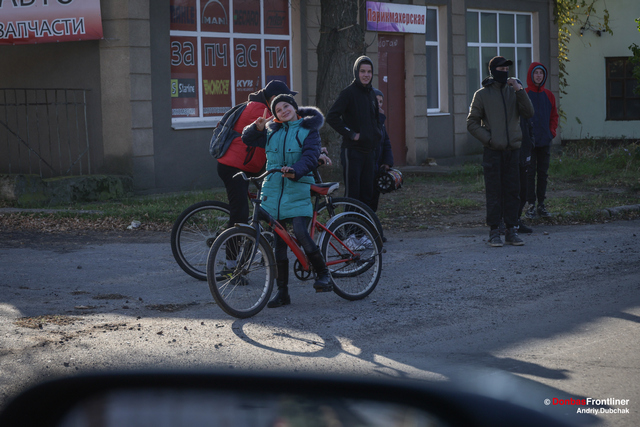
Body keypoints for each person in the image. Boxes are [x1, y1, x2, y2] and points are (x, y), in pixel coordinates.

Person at [242, 94, 334, 308]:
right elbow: (246, 139)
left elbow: (311, 157)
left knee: (301, 231)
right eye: (278, 110)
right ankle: (283, 293)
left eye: (287, 106)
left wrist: (296, 171)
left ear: (294, 107)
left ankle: (323, 273)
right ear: (275, 115)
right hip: (273, 191)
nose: (283, 111)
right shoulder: (270, 131)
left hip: (298, 187)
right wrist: (256, 127)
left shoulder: (307, 129)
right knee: (279, 245)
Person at [216, 80, 297, 276]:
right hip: (233, 167)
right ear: (271, 99)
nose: (284, 105)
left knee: (267, 199)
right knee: (240, 214)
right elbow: (282, 125)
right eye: (281, 101)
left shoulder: (262, 106)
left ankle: (264, 240)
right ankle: (231, 266)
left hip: (249, 165)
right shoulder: (259, 109)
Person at [467, 56, 534, 247]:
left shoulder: (514, 92)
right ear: (493, 71)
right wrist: (489, 139)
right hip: (493, 151)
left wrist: (520, 90)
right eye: (501, 69)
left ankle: (511, 230)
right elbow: (471, 122)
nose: (505, 73)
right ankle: (494, 230)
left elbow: (529, 113)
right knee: (494, 192)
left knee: (513, 191)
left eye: (507, 70)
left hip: (513, 150)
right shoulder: (482, 94)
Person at [326, 56, 382, 210]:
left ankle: (362, 232)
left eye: (369, 72)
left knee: (367, 194)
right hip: (352, 152)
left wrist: (377, 134)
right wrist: (352, 134)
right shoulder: (348, 93)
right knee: (353, 195)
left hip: (369, 152)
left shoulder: (372, 94)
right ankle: (350, 232)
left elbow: (377, 118)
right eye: (362, 71)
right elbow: (332, 116)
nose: (366, 75)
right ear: (356, 73)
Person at [524, 62, 559, 219]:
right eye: (536, 73)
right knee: (529, 174)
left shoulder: (549, 95)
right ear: (531, 75)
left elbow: (554, 116)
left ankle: (541, 205)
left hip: (545, 141)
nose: (538, 75)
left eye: (541, 73)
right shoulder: (524, 94)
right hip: (529, 143)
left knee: (543, 174)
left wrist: (551, 133)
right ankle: (530, 205)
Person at [371, 88, 394, 212]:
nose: (379, 104)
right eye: (376, 101)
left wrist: (387, 162)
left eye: (381, 102)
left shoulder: (381, 121)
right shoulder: (372, 118)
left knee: (375, 196)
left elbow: (386, 142)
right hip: (368, 164)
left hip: (378, 165)